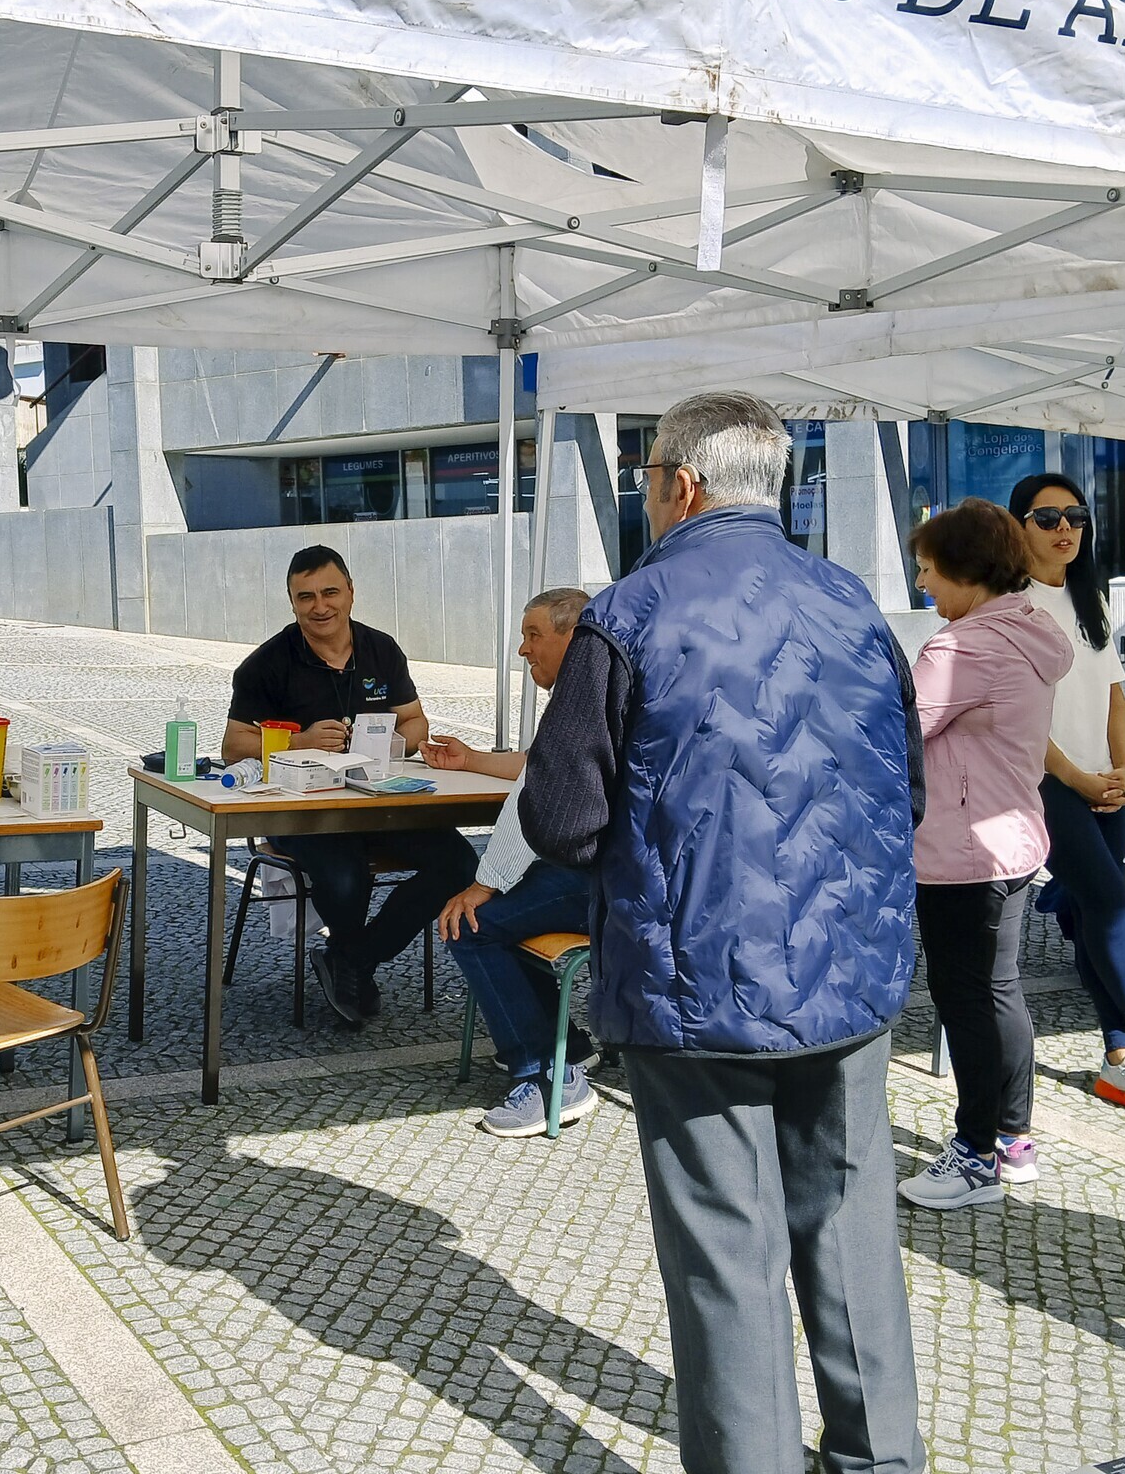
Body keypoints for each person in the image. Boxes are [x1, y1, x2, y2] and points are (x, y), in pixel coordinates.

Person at [522, 392, 927, 1474]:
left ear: (678, 484)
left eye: (648, 479)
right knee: (850, 1231)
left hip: (692, 980)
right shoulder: (852, 601)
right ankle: (882, 1459)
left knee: (725, 1257)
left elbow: (560, 822)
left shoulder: (630, 610)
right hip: (846, 968)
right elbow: (909, 788)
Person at [897, 499, 1071, 1211]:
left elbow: (898, 732)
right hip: (1011, 837)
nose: (922, 584)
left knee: (965, 999)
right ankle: (1012, 1137)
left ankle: (974, 1156)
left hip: (962, 848)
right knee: (999, 993)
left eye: (929, 570)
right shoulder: (1030, 628)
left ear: (965, 571)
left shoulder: (961, 647)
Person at [222, 545, 477, 1025]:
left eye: (330, 592)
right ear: (292, 601)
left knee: (460, 863)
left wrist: (395, 745)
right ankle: (353, 961)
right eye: (306, 597)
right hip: (302, 813)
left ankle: (352, 956)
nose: (320, 607)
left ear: (351, 592)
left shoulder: (381, 648)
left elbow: (416, 721)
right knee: (344, 878)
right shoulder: (268, 663)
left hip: (381, 800)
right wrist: (299, 743)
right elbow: (233, 745)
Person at [1008, 474, 1125, 1123]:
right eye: (1048, 517)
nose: (1065, 529)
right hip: (1045, 779)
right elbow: (1023, 714)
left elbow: (1115, 696)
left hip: (1101, 779)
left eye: (1076, 517)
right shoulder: (1011, 603)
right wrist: (1080, 779)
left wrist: (1120, 769)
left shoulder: (1092, 599)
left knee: (1093, 912)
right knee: (1112, 906)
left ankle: (1120, 1062)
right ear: (1019, 525)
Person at [424, 587, 598, 1139]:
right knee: (507, 902)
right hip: (597, 869)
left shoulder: (584, 699)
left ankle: (550, 1073)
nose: (523, 651)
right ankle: (570, 1041)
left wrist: (484, 883)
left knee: (470, 927)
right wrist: (472, 760)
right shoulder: (590, 691)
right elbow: (535, 767)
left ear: (571, 636)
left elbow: (536, 798)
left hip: (599, 880)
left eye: (533, 636)